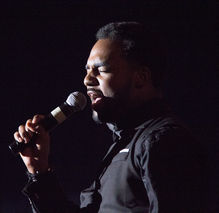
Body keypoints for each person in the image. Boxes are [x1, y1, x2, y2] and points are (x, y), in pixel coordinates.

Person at [13, 22, 205, 212]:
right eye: (87, 70)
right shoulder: (124, 144)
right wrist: (39, 169)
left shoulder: (165, 141)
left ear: (141, 78)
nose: (87, 80)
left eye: (102, 70)